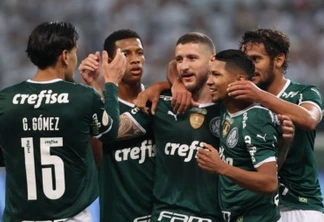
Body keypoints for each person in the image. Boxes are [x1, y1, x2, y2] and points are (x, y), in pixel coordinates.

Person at [0, 21, 126, 222]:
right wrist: (111, 83)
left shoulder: (5, 100)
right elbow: (109, 132)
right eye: (75, 52)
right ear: (65, 56)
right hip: (71, 216)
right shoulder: (83, 97)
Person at [119, 32, 222, 221]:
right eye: (179, 59)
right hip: (165, 216)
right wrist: (101, 84)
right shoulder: (161, 105)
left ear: (212, 60)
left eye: (192, 58)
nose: (184, 66)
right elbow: (109, 131)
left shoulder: (229, 110)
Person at [227, 29, 324, 221]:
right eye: (245, 61)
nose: (249, 67)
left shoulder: (303, 92)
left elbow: (309, 119)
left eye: (256, 60)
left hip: (299, 206)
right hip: (255, 210)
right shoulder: (240, 101)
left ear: (278, 60)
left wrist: (260, 96)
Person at [197, 49, 286, 222]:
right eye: (209, 74)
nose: (209, 82)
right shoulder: (226, 106)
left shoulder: (255, 118)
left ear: (239, 81)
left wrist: (221, 167)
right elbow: (174, 70)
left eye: (216, 75)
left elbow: (269, 182)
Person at [78, 29, 155, 222]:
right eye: (126, 54)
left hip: (159, 215)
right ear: (109, 63)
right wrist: (94, 87)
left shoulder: (157, 102)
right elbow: (96, 159)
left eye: (139, 53)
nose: (136, 59)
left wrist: (164, 85)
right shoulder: (99, 109)